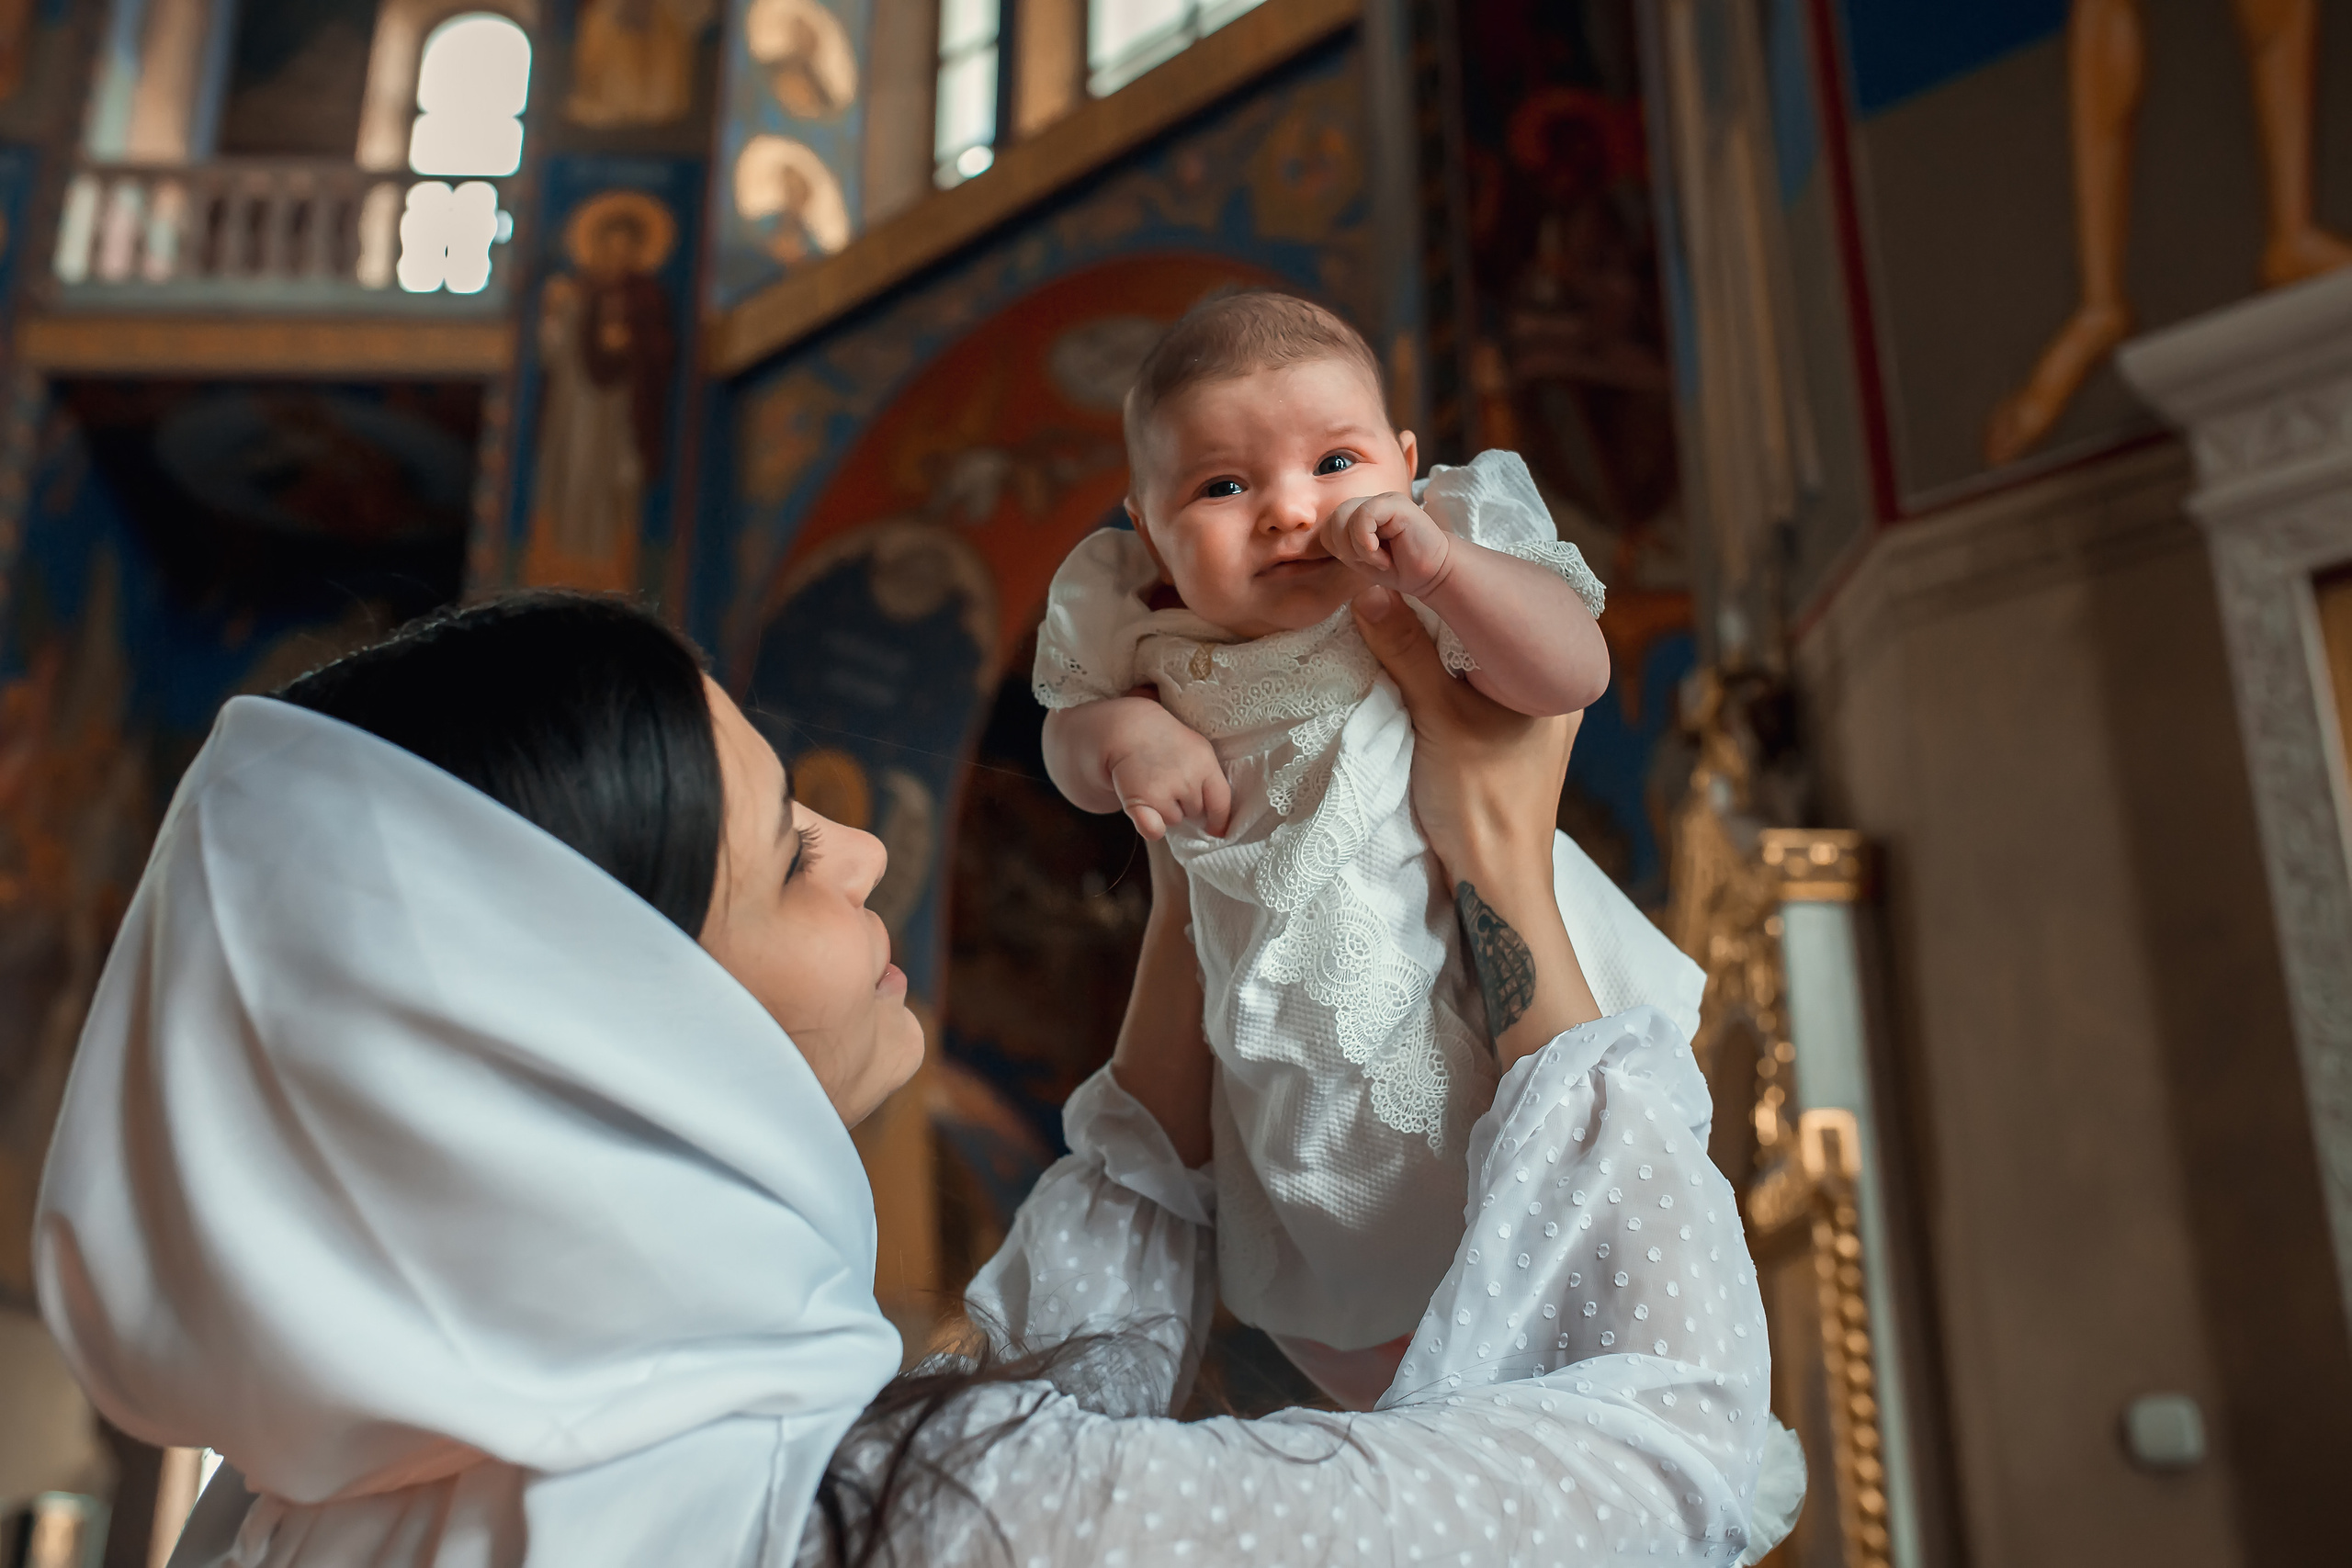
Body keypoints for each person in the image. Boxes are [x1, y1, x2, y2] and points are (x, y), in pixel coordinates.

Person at [33, 592, 1799, 1566]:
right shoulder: (940, 1531)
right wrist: (1499, 851)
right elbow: (1672, 1454)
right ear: (612, 1041)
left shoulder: (293, 1522)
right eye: (789, 855)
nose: (869, 850)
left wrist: (1206, 881)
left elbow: (1021, 1418)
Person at [1035, 290, 1704, 1404]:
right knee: (1340, 1292)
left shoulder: (1434, 564)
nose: (1290, 511)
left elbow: (1569, 678)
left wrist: (1445, 574)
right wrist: (1119, 735)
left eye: (1334, 462)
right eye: (1223, 486)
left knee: (1544, 1219)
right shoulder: (1133, 623)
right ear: (1146, 530)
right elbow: (1063, 743)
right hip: (1282, 1042)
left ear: (1404, 464)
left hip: (1473, 991)